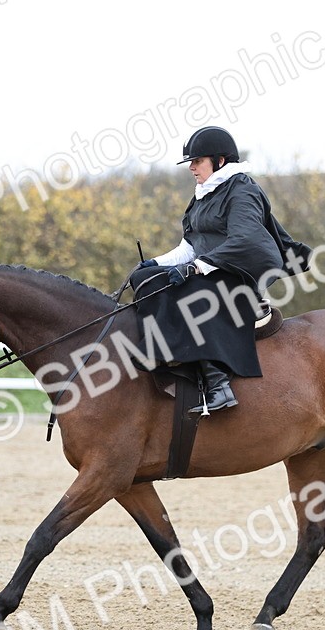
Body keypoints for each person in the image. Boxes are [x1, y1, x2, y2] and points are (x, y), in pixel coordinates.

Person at [129, 125, 312, 415]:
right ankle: (165, 356)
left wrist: (195, 268)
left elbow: (245, 240)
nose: (191, 168)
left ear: (220, 161)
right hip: (209, 271)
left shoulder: (242, 191)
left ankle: (218, 383)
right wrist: (156, 263)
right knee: (146, 279)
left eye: (197, 161)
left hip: (240, 277)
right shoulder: (203, 194)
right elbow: (190, 246)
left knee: (192, 293)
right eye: (191, 162)